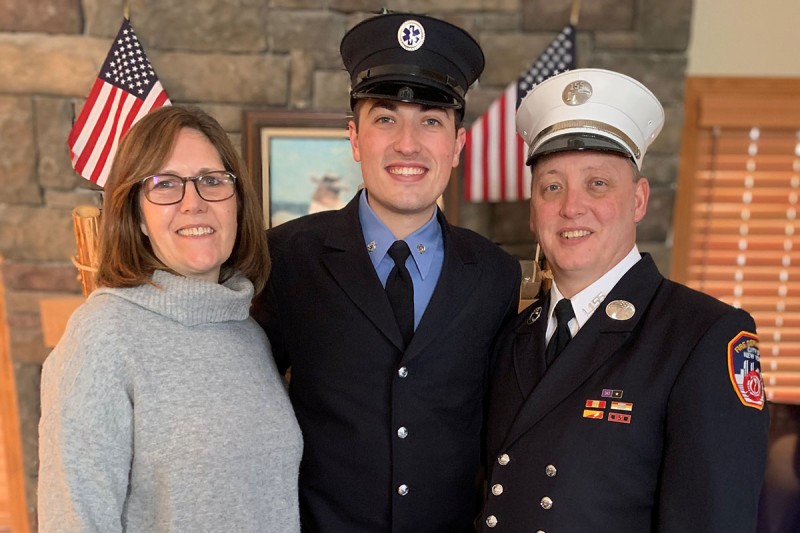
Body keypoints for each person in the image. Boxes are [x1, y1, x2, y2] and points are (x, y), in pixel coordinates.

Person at [251, 12, 521, 532]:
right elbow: (244, 394)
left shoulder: (494, 274)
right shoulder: (288, 257)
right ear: (354, 139)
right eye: (386, 118)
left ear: (458, 146)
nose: (408, 144)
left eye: (432, 120)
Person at [480, 68, 770, 532]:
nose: (572, 207)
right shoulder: (512, 333)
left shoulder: (702, 336)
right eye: (552, 186)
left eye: (597, 183)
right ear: (533, 211)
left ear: (638, 200)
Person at [38, 106, 303, 532]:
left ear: (236, 202)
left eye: (212, 181)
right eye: (165, 185)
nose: (193, 203)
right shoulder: (103, 337)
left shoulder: (248, 332)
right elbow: (74, 520)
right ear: (137, 216)